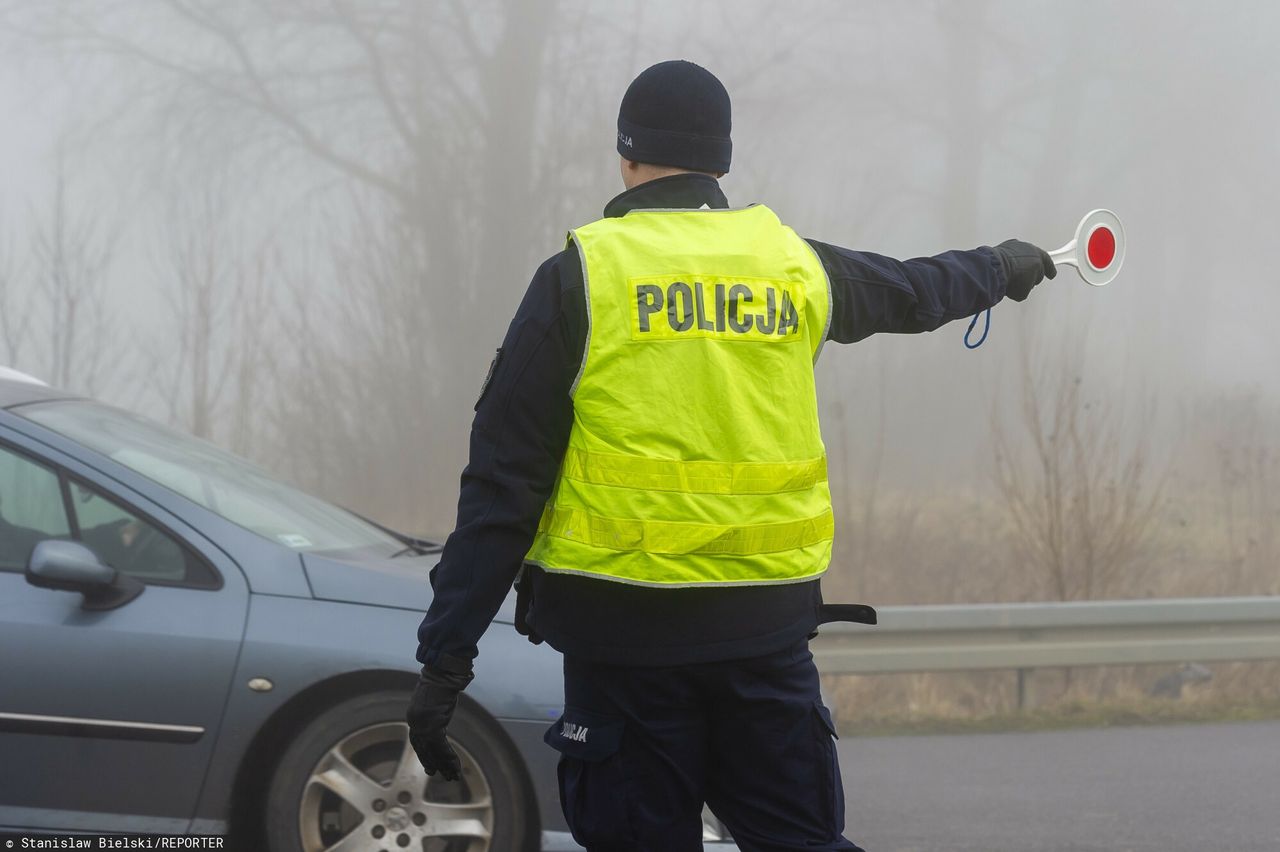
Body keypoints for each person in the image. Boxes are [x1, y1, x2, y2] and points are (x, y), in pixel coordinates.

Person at [407, 59, 1056, 851]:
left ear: (627, 154)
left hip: (625, 651)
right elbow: (914, 291)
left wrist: (446, 658)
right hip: (766, 639)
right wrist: (1003, 267)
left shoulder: (584, 275)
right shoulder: (789, 263)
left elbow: (505, 485)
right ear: (721, 159)